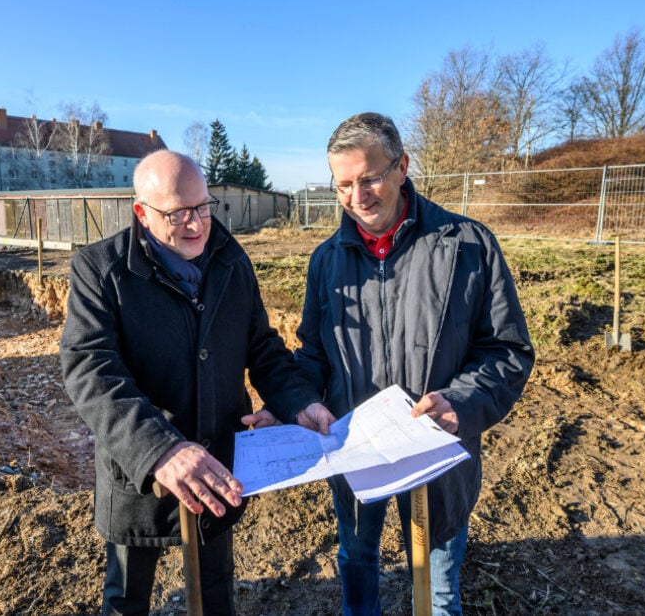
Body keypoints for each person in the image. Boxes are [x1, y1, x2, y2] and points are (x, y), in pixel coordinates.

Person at [59, 149, 325, 615]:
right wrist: (161, 449)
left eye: (202, 206)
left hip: (217, 460)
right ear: (142, 213)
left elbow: (261, 347)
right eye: (177, 213)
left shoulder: (229, 260)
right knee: (126, 598)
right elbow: (90, 370)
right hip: (139, 471)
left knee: (215, 589)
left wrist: (298, 400)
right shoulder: (101, 270)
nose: (196, 224)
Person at [293, 113, 535, 615]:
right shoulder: (326, 261)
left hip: (437, 452)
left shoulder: (468, 245)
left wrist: (462, 403)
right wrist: (295, 401)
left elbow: (506, 350)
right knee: (357, 559)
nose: (357, 197)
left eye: (370, 178)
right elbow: (314, 353)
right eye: (343, 185)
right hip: (356, 450)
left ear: (402, 167)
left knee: (439, 585)